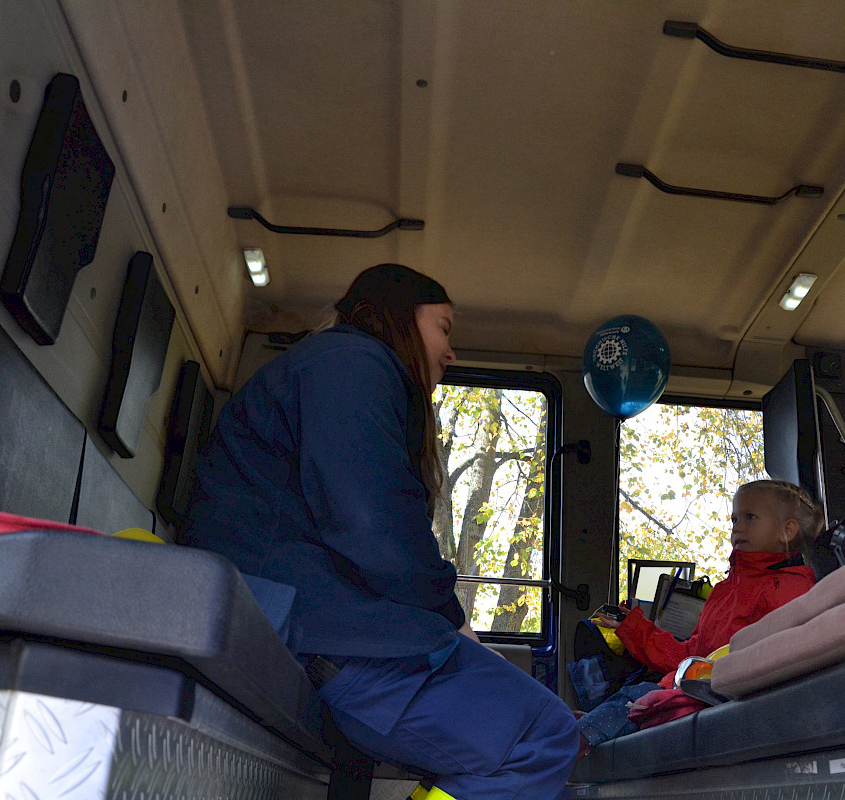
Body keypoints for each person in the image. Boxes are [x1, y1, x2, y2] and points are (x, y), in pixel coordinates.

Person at [183, 264, 579, 800]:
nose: (450, 350)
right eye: (444, 327)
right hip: (321, 629)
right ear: (400, 318)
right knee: (546, 735)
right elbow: (372, 525)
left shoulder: (332, 367)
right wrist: (448, 618)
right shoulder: (352, 361)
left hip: (304, 618)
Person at [577, 479, 821, 750]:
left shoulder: (791, 588)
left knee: (637, 699)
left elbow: (787, 658)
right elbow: (688, 655)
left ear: (787, 531)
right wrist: (634, 627)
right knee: (633, 695)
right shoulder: (724, 591)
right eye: (734, 519)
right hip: (693, 683)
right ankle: (580, 732)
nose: (737, 527)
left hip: (725, 694)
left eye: (750, 517)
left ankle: (573, 740)